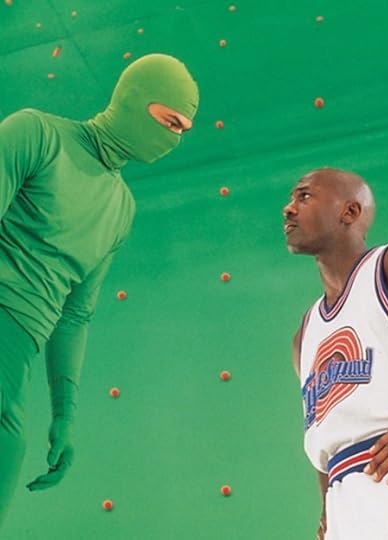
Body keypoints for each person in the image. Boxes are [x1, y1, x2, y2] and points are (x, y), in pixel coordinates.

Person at [0, 52, 199, 528]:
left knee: (9, 447)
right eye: (169, 121)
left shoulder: (121, 208)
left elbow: (75, 315)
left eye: (182, 131)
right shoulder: (37, 134)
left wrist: (64, 414)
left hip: (22, 348)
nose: (173, 138)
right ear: (135, 98)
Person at [283, 167, 388, 540]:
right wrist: (328, 510)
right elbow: (327, 425)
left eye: (304, 196)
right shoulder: (306, 334)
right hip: (351, 507)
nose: (288, 208)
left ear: (349, 212)